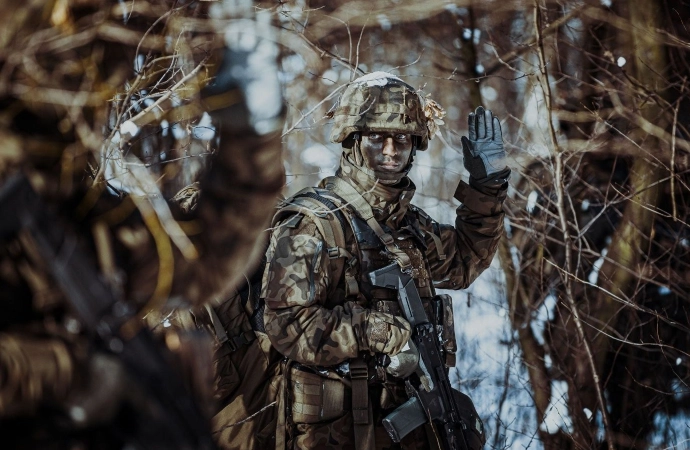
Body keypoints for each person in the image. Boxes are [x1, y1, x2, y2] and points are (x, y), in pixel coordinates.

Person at [0, 1, 284, 448]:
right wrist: (67, 373)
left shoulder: (74, 214)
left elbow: (202, 262)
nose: (87, 82)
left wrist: (253, 129)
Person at [262, 71, 511, 450]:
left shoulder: (406, 224)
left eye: (402, 140)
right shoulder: (316, 224)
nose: (391, 151)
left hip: (405, 427)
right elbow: (288, 324)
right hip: (338, 434)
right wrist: (375, 332)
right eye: (377, 139)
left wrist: (487, 186)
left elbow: (464, 262)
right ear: (353, 143)